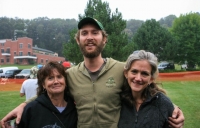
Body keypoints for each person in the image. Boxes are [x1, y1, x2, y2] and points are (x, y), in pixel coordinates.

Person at [0, 17, 184, 128]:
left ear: (104, 39)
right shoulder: (70, 75)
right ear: (78, 39)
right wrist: (24, 105)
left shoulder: (122, 69)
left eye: (95, 32)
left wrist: (174, 109)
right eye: (84, 33)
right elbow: (49, 93)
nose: (89, 37)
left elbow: (146, 88)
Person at [118, 50, 175, 128]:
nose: (138, 78)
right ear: (126, 73)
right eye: (134, 71)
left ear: (151, 79)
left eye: (144, 73)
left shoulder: (163, 104)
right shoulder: (117, 100)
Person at [17, 61, 77, 128]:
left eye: (59, 77)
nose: (56, 81)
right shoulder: (31, 109)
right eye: (50, 78)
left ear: (65, 81)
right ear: (43, 84)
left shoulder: (74, 109)